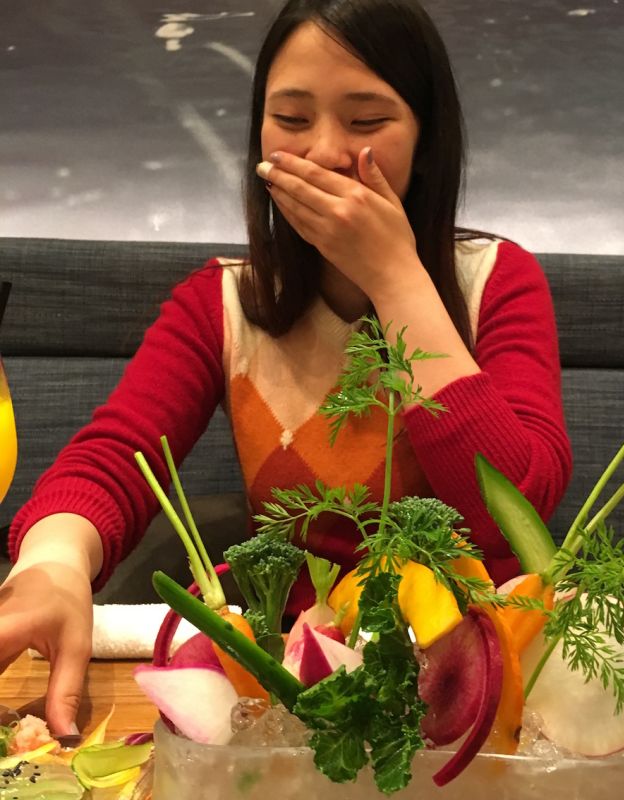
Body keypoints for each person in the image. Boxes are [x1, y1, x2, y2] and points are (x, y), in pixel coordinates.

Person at [0, 0, 571, 737]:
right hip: (297, 695)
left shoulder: (497, 281)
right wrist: (51, 565)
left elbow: (519, 511)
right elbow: (113, 458)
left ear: (427, 139)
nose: (324, 151)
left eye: (367, 121)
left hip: (473, 696)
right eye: (292, 119)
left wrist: (397, 279)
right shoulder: (222, 303)